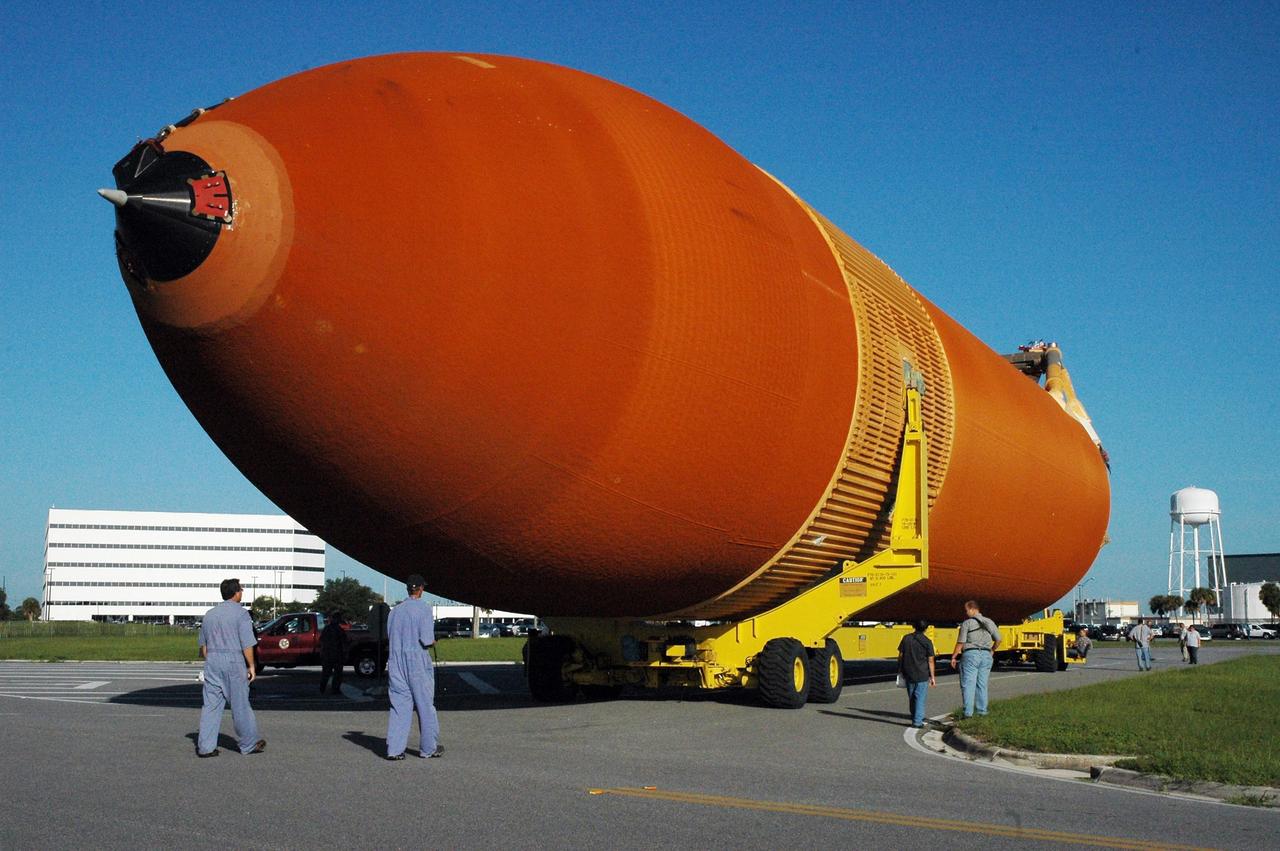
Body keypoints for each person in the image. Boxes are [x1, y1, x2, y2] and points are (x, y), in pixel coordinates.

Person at [196, 578, 266, 757]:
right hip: (233, 660)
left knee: (211, 706)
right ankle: (249, 743)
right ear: (236, 593)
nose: (242, 592)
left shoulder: (209, 614)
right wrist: (251, 666)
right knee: (240, 705)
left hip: (213, 660)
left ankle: (206, 747)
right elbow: (247, 644)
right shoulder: (241, 614)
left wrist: (213, 659)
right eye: (241, 589)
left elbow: (204, 648)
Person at [385, 574, 443, 760]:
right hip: (416, 660)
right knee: (425, 706)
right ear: (421, 589)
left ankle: (395, 750)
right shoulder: (424, 609)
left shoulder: (395, 611)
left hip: (396, 660)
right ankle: (428, 748)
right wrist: (433, 641)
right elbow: (426, 639)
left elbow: (390, 635)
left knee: (399, 705)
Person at [950, 600, 1001, 718]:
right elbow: (998, 639)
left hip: (971, 654)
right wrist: (992, 650)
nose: (966, 613)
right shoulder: (989, 622)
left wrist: (954, 656)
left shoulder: (967, 623)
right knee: (982, 684)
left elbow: (961, 642)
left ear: (972, 609)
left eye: (966, 610)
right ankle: (982, 711)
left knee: (968, 684)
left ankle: (968, 713)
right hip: (986, 655)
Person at [897, 619, 936, 728]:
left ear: (914, 626)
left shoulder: (906, 638)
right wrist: (932, 677)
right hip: (922, 673)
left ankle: (914, 716)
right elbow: (931, 660)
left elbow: (900, 655)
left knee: (912, 696)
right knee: (920, 697)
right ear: (926, 628)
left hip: (908, 671)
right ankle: (917, 721)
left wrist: (900, 669)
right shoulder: (927, 641)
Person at [319, 611, 348, 695]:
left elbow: (321, 641)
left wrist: (322, 651)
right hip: (336, 654)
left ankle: (322, 688)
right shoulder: (339, 630)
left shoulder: (327, 629)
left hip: (327, 654)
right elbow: (344, 642)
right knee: (337, 673)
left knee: (326, 673)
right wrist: (345, 653)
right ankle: (335, 689)